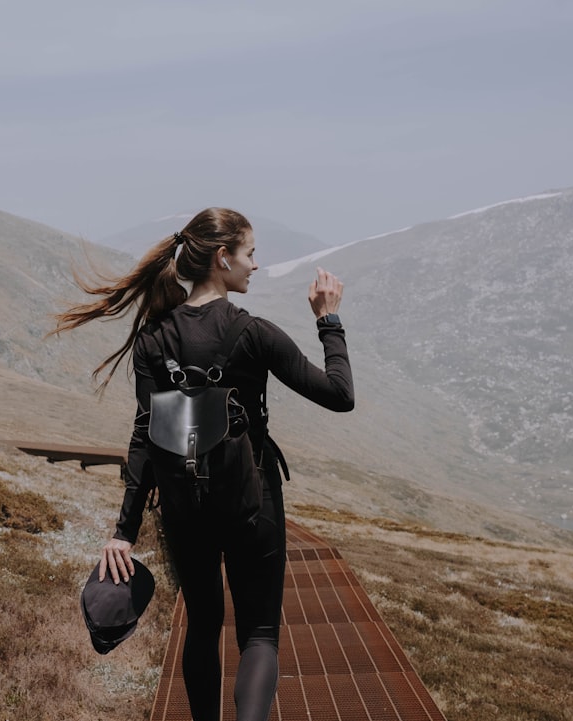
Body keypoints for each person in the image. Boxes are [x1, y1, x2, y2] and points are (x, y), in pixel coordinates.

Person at [51, 207, 354, 721]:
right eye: (250, 254)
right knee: (258, 632)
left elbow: (145, 434)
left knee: (204, 625)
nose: (255, 266)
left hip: (183, 507)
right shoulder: (254, 333)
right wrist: (328, 320)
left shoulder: (153, 337)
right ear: (222, 258)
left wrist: (123, 531)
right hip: (252, 501)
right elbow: (340, 395)